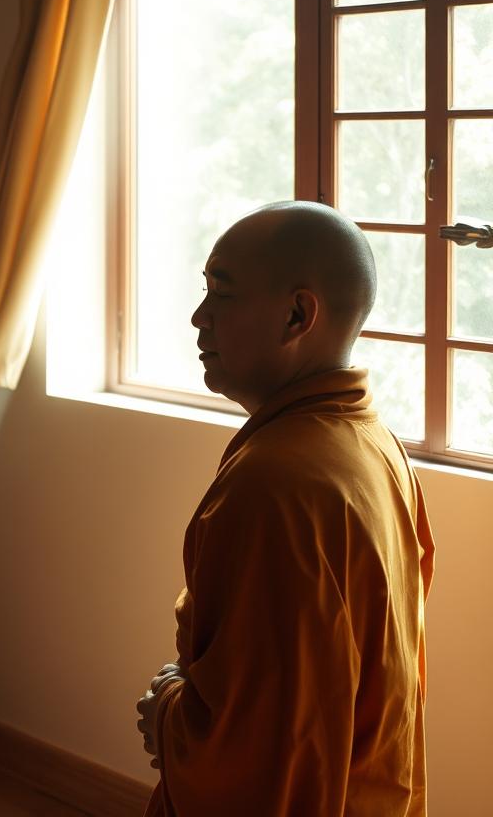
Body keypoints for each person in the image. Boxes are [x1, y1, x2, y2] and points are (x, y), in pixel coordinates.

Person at [136, 201, 435, 816]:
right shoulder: (373, 442)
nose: (199, 319)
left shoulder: (275, 484)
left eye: (221, 295)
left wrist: (167, 709)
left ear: (298, 314)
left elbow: (254, 751)